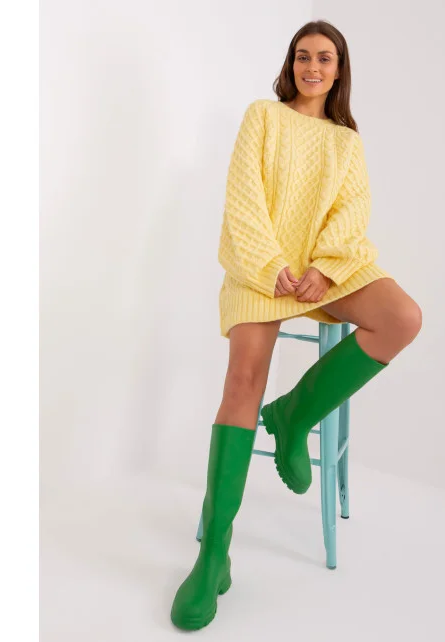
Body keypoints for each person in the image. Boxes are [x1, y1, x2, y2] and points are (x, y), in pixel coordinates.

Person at [170, 20, 422, 631]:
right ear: (291, 65)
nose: (313, 67)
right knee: (242, 382)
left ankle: (293, 416)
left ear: (339, 70)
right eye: (303, 56)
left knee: (402, 318)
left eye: (325, 58)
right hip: (260, 267)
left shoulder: (346, 142)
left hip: (324, 270)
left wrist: (325, 269)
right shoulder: (262, 116)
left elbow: (350, 214)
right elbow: (243, 200)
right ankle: (213, 556)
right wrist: (272, 266)